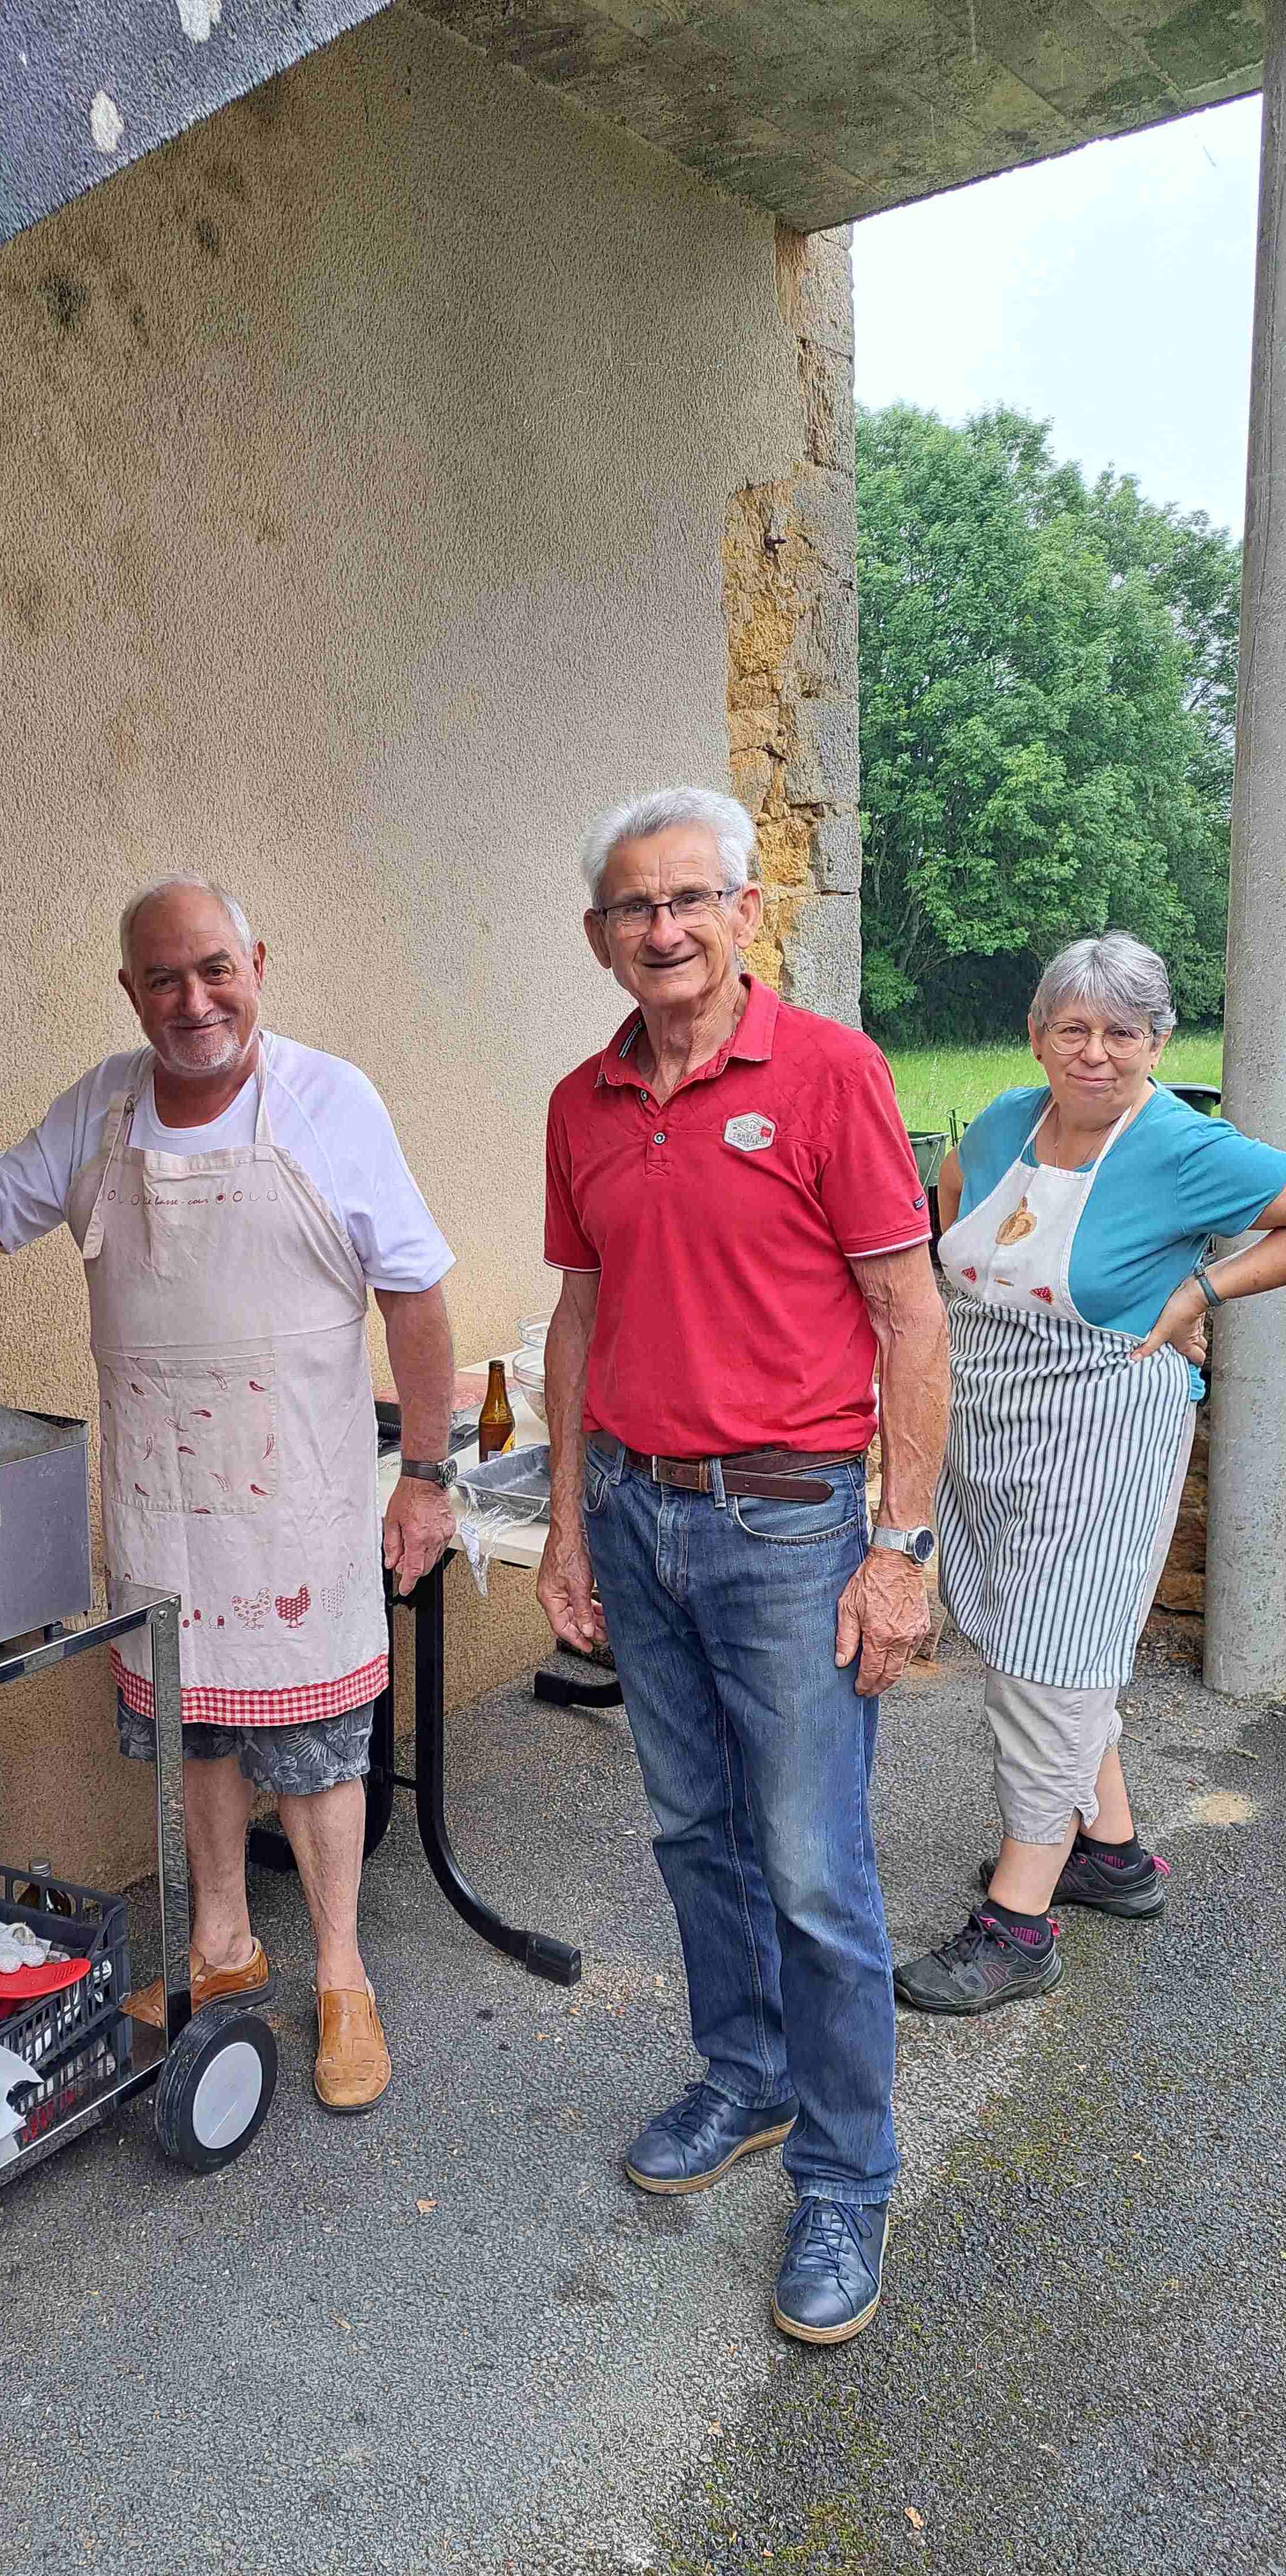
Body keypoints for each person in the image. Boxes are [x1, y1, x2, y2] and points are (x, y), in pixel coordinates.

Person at [0, 878, 459, 2112]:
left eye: (215, 969)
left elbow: (419, 1297)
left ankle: (342, 1970)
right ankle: (222, 1941)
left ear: (260, 966)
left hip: (301, 1491)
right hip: (166, 1498)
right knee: (198, 1725)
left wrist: (428, 1475)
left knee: (322, 1740)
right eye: (165, 978)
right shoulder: (101, 1109)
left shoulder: (331, 1100)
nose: (194, 999)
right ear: (131, 992)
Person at [537, 784, 948, 2346]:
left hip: (785, 1525)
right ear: (599, 938)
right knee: (692, 1825)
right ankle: (749, 2073)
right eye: (635, 908)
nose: (664, 930)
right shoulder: (580, 1102)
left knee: (814, 1868)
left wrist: (895, 1550)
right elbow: (578, 1316)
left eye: (691, 900)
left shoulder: (829, 1076)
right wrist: (571, 1522)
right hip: (637, 1516)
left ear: (745, 912)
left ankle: (847, 2179)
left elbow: (910, 1320)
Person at [894, 932, 1286, 2015]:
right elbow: (951, 1217)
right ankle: (1110, 1853)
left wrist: (1203, 1294)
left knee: (1054, 1660)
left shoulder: (1185, 1148)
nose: (1097, 1053)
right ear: (1037, 1037)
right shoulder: (1004, 1122)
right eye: (1074, 1029)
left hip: (1105, 1430)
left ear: (1159, 1042)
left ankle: (1019, 1925)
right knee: (1037, 1639)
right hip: (992, 1423)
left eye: (1123, 1032)